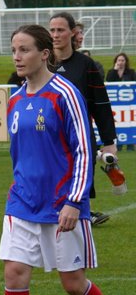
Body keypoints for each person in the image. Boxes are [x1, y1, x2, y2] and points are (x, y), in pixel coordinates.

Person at [0, 24, 121, 295]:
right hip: (21, 203)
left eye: (24, 50)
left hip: (63, 205)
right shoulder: (16, 100)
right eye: (14, 50)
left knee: (72, 283)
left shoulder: (65, 93)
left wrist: (73, 200)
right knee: (14, 274)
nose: (17, 57)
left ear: (44, 54)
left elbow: (83, 149)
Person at [49, 12, 117, 227]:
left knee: (80, 186)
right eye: (52, 30)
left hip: (80, 138)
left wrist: (109, 143)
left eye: (60, 30)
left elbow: (101, 105)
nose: (56, 35)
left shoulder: (86, 64)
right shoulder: (42, 61)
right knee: (50, 186)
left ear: (72, 33)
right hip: (49, 138)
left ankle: (83, 225)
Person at [107, 52, 136, 151]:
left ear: (126, 62)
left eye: (122, 60)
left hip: (128, 104)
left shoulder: (131, 72)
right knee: (117, 124)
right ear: (116, 61)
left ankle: (130, 146)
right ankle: (118, 146)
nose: (121, 62)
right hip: (115, 105)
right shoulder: (111, 72)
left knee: (129, 122)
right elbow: (108, 83)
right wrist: (115, 70)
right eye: (119, 60)